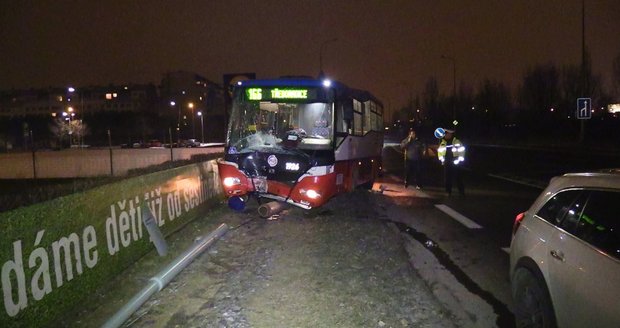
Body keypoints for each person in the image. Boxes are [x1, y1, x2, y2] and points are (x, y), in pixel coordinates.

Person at [437, 129, 465, 196]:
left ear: (450, 134)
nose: (446, 135)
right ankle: (448, 191)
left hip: (456, 161)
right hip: (447, 162)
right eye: (445, 134)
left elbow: (462, 150)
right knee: (447, 178)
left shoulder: (456, 141)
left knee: (458, 177)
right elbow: (440, 152)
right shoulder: (443, 142)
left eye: (447, 134)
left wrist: (459, 159)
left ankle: (461, 192)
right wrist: (442, 160)